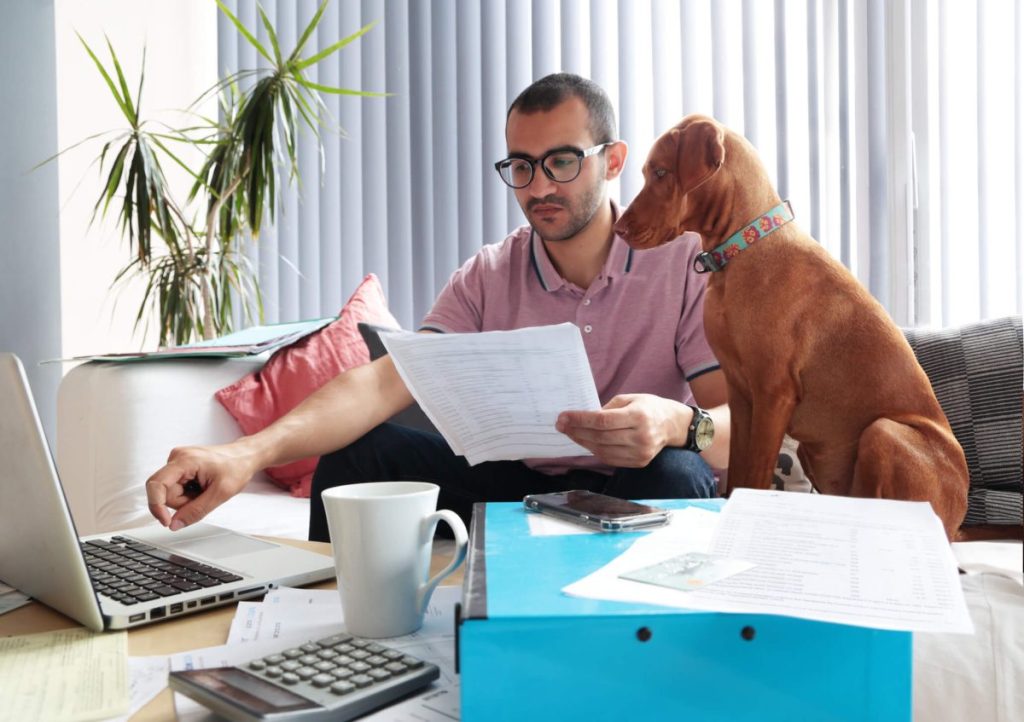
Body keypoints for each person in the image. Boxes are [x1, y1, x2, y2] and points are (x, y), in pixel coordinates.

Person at [145, 73, 731, 541]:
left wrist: (679, 423)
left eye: (562, 162)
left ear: (613, 160)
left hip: (638, 479)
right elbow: (379, 386)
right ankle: (325, 625)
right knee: (361, 453)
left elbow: (740, 424)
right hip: (517, 487)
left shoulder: (683, 261)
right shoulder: (489, 274)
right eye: (521, 167)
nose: (539, 188)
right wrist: (244, 454)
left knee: (677, 471)